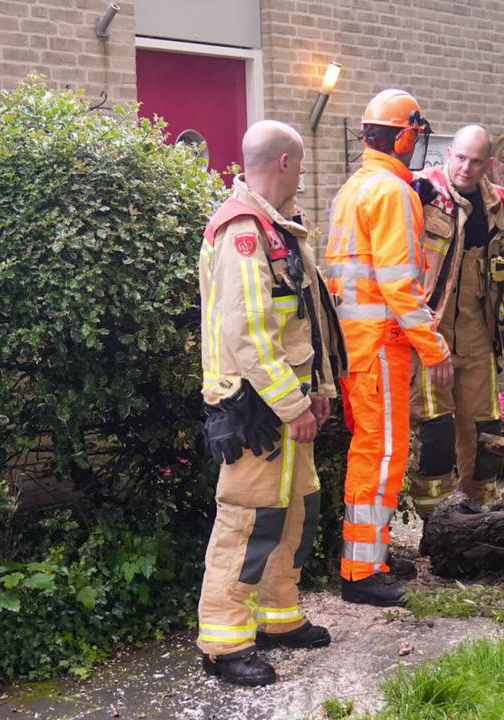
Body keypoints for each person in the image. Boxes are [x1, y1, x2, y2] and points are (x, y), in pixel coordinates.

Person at [196, 120, 348, 686]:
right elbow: (249, 334)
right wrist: (294, 406)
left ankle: (278, 616)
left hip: (289, 404)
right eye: (302, 163)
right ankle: (223, 641)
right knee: (247, 522)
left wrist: (322, 391)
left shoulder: (278, 229)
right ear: (284, 162)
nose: (304, 173)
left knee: (295, 511)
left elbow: (309, 322)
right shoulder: (242, 230)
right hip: (255, 411)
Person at [323, 89, 452, 607]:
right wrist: (434, 347)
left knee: (373, 451)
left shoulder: (356, 188)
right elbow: (400, 285)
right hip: (382, 345)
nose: (417, 147)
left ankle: (369, 555)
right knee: (380, 456)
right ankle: (359, 571)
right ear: (402, 136)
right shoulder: (391, 194)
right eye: (416, 137)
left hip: (360, 345)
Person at [407, 125, 504, 517]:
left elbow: (501, 270)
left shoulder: (498, 205)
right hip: (430, 329)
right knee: (434, 428)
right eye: (460, 158)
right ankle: (434, 518)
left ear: (487, 163)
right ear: (449, 153)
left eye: (475, 161)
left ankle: (479, 508)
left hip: (477, 328)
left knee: (485, 426)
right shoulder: (422, 194)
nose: (466, 168)